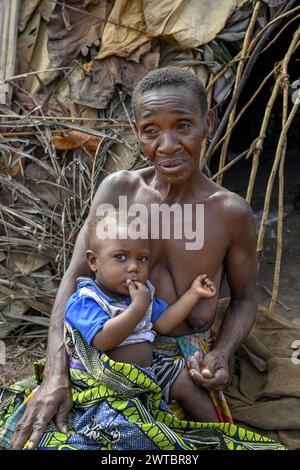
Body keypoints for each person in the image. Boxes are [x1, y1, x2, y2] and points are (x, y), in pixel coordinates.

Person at [9, 66, 258, 449]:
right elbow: (75, 280)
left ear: (208, 123)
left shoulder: (230, 214)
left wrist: (222, 354)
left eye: (183, 125)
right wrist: (56, 374)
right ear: (137, 131)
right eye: (151, 130)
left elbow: (244, 298)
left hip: (183, 374)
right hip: (101, 363)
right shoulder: (119, 190)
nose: (168, 145)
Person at [64, 210, 219, 424]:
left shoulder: (142, 294)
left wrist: (193, 294)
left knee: (185, 380)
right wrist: (137, 308)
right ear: (93, 261)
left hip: (149, 373)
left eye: (142, 258)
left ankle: (220, 434)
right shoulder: (86, 300)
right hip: (107, 382)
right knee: (117, 423)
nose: (133, 267)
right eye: (120, 257)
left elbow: (164, 323)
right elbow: (103, 339)